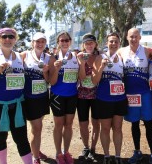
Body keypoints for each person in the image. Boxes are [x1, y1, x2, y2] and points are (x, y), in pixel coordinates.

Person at [0, 28, 32, 164]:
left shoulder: (21, 56)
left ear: (15, 39)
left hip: (17, 105)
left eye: (11, 36)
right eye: (4, 37)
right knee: (0, 138)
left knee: (21, 139)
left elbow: (37, 54)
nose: (7, 39)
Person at [118, 28, 152, 164]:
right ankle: (137, 151)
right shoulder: (121, 51)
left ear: (140, 37)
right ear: (127, 37)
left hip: (145, 93)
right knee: (134, 124)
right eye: (131, 37)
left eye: (136, 36)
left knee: (148, 124)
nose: (133, 39)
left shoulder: (147, 51)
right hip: (130, 94)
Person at [92, 32, 128, 164]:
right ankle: (107, 155)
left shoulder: (122, 58)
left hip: (119, 99)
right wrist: (101, 66)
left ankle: (118, 156)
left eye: (116, 41)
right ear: (106, 43)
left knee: (118, 128)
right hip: (104, 99)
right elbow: (94, 81)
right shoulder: (100, 57)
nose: (113, 44)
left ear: (119, 43)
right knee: (105, 128)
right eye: (111, 41)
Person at [48, 31, 79, 164]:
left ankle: (66, 151)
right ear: (58, 43)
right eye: (62, 40)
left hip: (72, 95)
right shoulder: (53, 58)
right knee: (58, 125)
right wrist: (56, 69)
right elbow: (52, 82)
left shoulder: (76, 57)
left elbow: (78, 76)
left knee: (69, 124)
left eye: (67, 40)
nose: (65, 42)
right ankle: (58, 153)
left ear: (70, 41)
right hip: (57, 96)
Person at [21, 32, 51, 164]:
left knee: (38, 127)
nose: (40, 44)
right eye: (37, 41)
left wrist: (45, 72)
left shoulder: (49, 58)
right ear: (32, 42)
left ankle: (36, 150)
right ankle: (35, 157)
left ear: (45, 43)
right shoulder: (24, 55)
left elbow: (50, 80)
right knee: (37, 127)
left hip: (43, 97)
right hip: (29, 97)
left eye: (42, 42)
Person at [76, 33, 100, 162]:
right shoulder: (78, 56)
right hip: (82, 95)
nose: (89, 45)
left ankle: (93, 148)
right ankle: (85, 147)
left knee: (95, 123)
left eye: (91, 43)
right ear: (83, 45)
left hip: (97, 95)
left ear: (95, 44)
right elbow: (82, 78)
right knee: (83, 124)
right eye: (87, 43)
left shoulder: (100, 57)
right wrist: (81, 63)